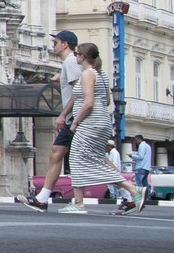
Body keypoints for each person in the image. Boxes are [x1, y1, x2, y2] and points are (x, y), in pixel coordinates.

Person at [58, 43, 146, 214]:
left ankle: (132, 189)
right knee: (90, 159)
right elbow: (106, 101)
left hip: (91, 123)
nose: (75, 57)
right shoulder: (101, 74)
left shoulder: (87, 74)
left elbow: (89, 103)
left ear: (83, 56)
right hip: (101, 121)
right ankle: (79, 202)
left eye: (76, 54)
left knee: (76, 159)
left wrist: (76, 121)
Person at [18, 30, 83, 211]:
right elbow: (73, 91)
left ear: (65, 44)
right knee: (56, 153)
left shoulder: (71, 62)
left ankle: (130, 192)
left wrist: (63, 114)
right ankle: (42, 198)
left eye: (56, 42)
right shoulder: (69, 63)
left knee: (95, 157)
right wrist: (60, 83)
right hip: (73, 116)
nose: (53, 46)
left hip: (75, 117)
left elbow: (79, 92)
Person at [106, 139, 131, 208]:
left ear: (109, 146)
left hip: (114, 171)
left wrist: (112, 171)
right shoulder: (111, 153)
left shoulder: (114, 153)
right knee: (117, 185)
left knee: (117, 185)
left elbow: (114, 163)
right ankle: (125, 198)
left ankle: (125, 198)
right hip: (113, 171)